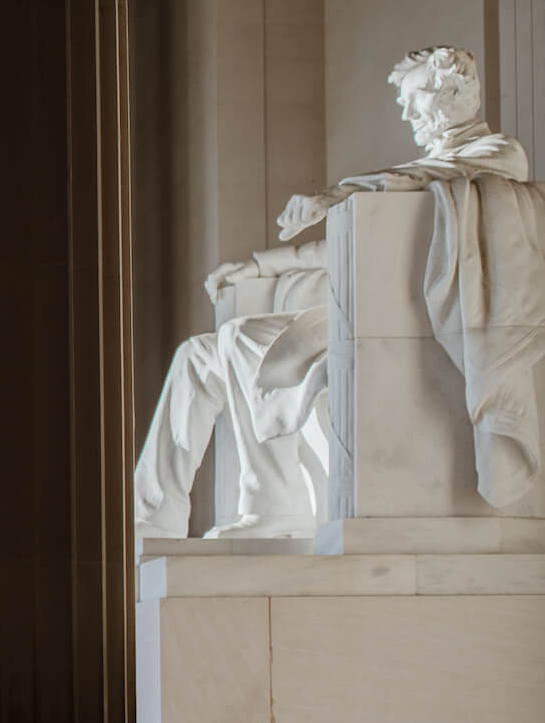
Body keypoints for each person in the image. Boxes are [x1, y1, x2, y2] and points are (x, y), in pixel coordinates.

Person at [135, 46, 529, 539]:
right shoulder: (427, 173)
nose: (407, 113)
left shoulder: (491, 157)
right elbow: (339, 248)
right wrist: (259, 266)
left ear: (455, 92)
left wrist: (336, 195)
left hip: (408, 324)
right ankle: (151, 517)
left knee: (240, 338)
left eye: (416, 98)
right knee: (196, 355)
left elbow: (414, 179)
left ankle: (275, 506)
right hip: (366, 316)